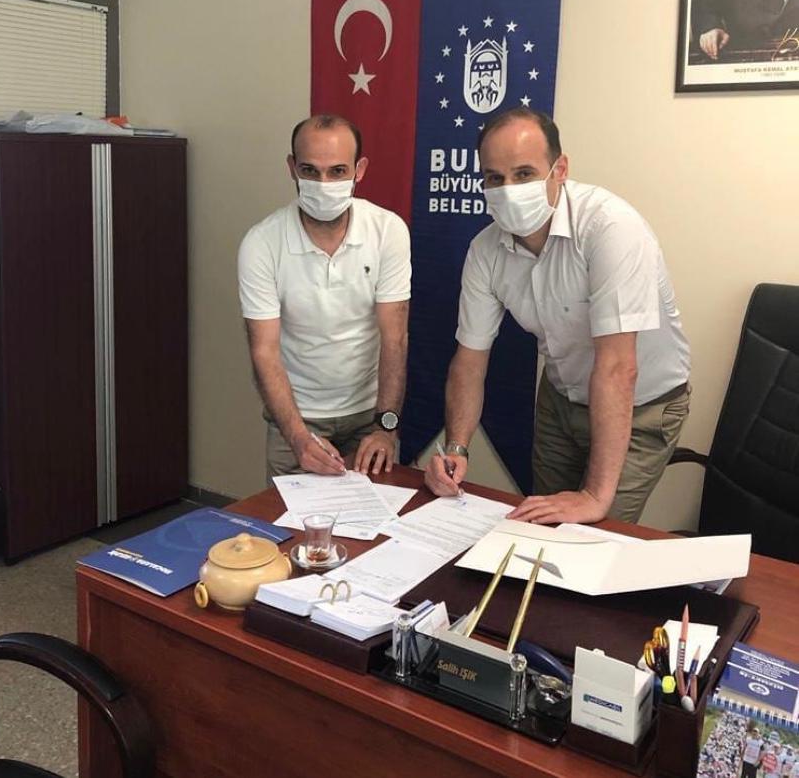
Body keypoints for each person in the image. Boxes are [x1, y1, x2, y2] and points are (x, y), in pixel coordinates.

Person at [424, 107, 691, 524]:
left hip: (641, 406)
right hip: (561, 397)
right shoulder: (485, 250)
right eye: (494, 178)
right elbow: (470, 361)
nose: (508, 190)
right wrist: (456, 448)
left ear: (560, 169)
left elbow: (618, 367)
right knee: (542, 525)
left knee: (594, 533)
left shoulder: (610, 227)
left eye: (524, 174)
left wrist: (594, 497)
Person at [238, 114, 410, 482]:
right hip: (296, 418)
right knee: (287, 518)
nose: (323, 184)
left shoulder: (388, 231)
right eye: (310, 171)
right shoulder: (261, 243)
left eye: (337, 171)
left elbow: (394, 338)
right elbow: (264, 351)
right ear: (292, 168)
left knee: (374, 515)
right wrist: (298, 437)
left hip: (369, 415)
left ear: (359, 170)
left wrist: (386, 427)